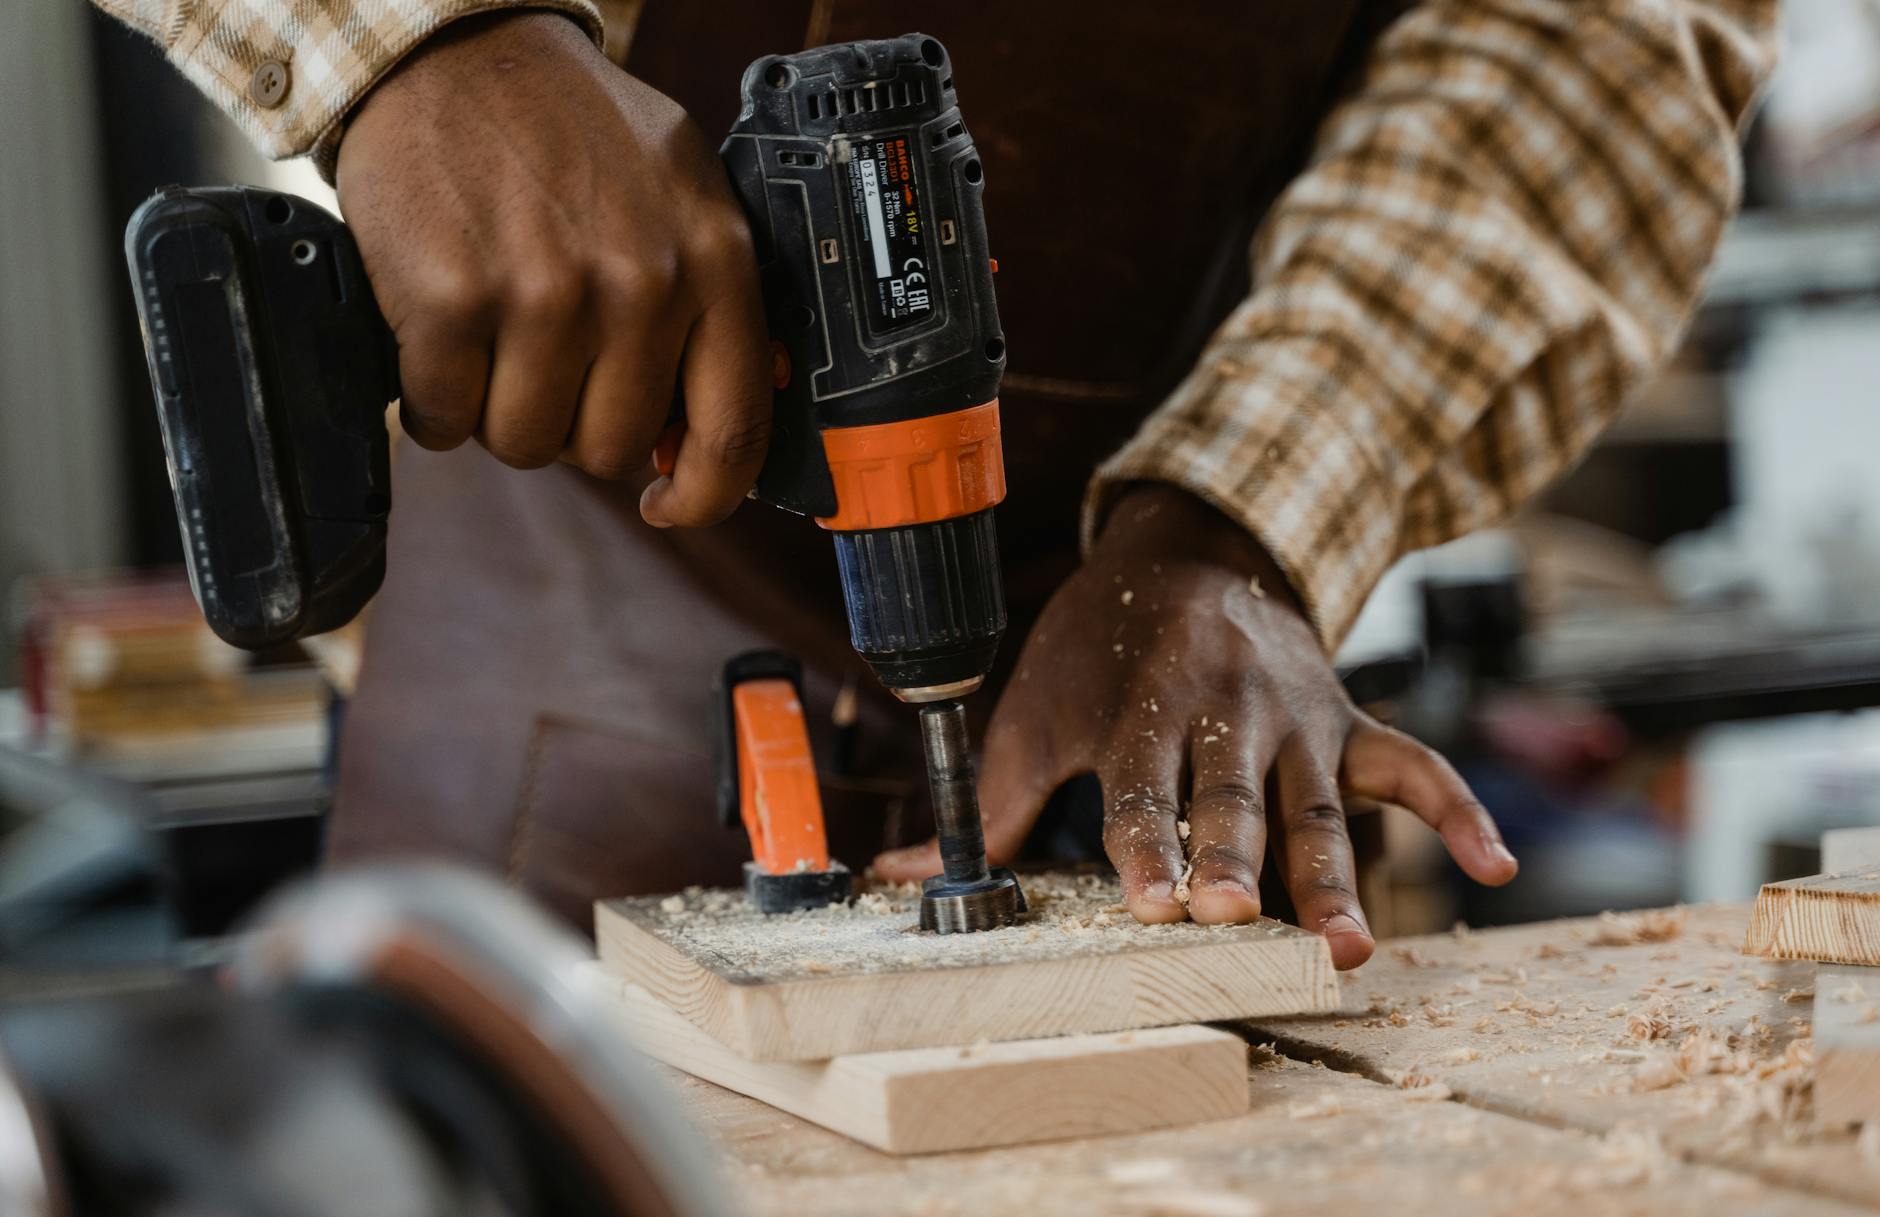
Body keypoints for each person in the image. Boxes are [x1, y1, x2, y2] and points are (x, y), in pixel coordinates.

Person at [94, 0, 1777, 967]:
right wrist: (420, 46)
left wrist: (1238, 517)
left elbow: (1595, 39)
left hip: (1149, 628)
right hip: (561, 658)